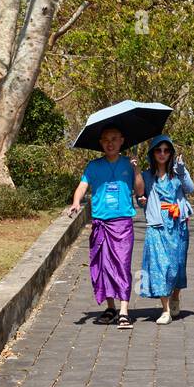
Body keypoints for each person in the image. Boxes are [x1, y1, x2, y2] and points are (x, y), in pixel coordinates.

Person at [69, 126, 144, 329]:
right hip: (100, 223)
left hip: (122, 224)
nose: (110, 143)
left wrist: (137, 170)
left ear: (122, 141)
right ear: (100, 143)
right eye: (105, 140)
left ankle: (124, 311)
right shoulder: (93, 166)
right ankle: (111, 307)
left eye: (114, 139)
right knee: (104, 266)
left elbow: (140, 190)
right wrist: (76, 202)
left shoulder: (129, 164)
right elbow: (83, 186)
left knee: (122, 265)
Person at [138, 134, 194, 325]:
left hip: (177, 225)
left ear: (171, 153)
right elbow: (139, 196)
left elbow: (190, 188)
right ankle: (165, 310)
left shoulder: (177, 173)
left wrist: (182, 169)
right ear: (152, 153)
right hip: (157, 225)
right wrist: (141, 199)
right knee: (160, 267)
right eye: (158, 150)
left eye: (166, 150)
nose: (162, 154)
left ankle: (176, 296)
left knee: (177, 265)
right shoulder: (146, 176)